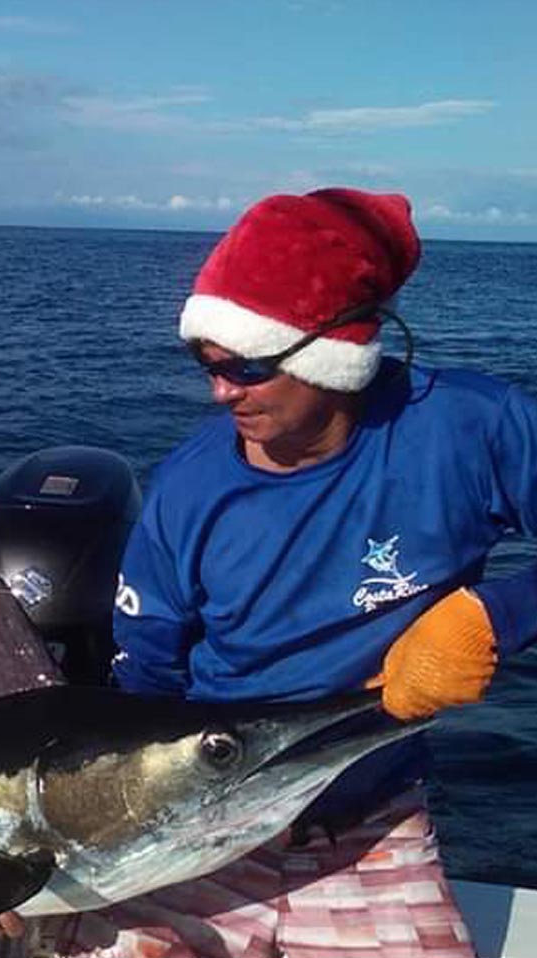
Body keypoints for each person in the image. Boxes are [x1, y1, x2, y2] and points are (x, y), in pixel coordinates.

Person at [45, 188, 537, 957]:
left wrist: (493, 618)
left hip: (371, 820)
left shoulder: (470, 428)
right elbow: (145, 688)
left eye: (245, 365)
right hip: (204, 813)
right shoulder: (187, 492)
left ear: (331, 347)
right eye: (203, 364)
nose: (219, 391)